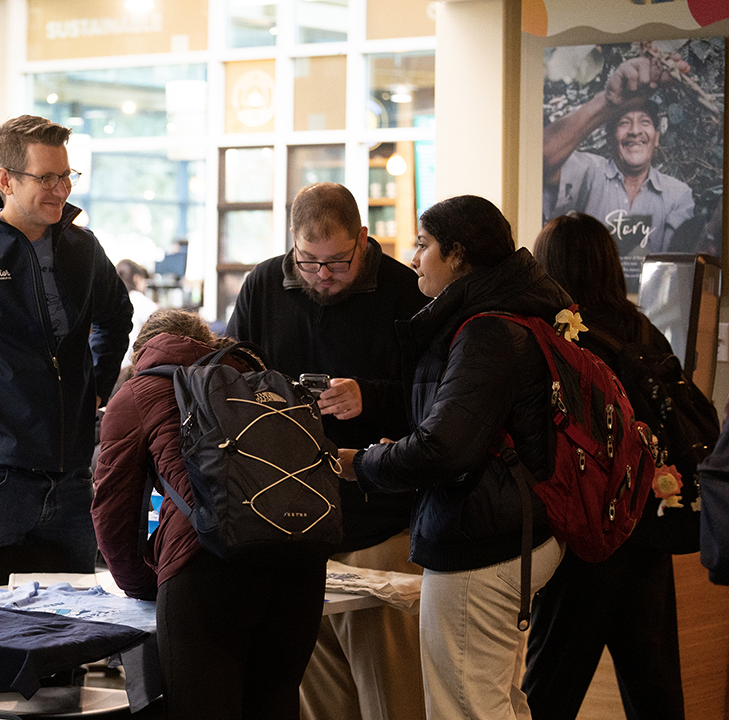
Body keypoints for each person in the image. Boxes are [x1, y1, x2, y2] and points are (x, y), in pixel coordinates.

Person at [337, 195, 570, 720]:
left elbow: (445, 445)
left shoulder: (486, 330)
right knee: (496, 701)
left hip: (480, 540)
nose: (414, 258)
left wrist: (361, 464)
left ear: (459, 256)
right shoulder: (509, 311)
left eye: (423, 245)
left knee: (464, 706)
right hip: (512, 531)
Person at [226, 181, 428, 720]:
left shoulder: (405, 292)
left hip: (379, 518)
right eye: (310, 261)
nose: (324, 275)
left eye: (338, 262)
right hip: (290, 521)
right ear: (292, 244)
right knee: (314, 692)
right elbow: (229, 384)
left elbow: (437, 404)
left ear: (363, 239)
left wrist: (369, 395)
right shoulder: (265, 284)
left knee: (392, 690)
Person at [0, 115, 133, 571]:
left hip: (72, 483)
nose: (62, 189)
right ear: (6, 181)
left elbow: (116, 317)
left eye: (67, 176)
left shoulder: (84, 249)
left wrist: (96, 385)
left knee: (73, 629)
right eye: (47, 178)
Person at [93, 309, 327, 719]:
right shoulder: (259, 379)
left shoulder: (137, 393)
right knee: (276, 705)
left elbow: (113, 518)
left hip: (207, 568)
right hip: (299, 565)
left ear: (142, 351)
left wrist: (146, 585)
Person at [521, 212, 688, 720]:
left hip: (585, 536)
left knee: (548, 690)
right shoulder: (642, 330)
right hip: (645, 530)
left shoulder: (558, 338)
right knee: (655, 689)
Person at [543, 55, 695, 257]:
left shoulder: (678, 195)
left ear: (656, 137)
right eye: (624, 123)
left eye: (645, 122)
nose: (635, 131)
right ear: (610, 138)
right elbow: (539, 161)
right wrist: (607, 103)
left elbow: (676, 266)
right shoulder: (590, 172)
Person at [115, 258, 159, 367]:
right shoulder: (138, 299)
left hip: (114, 365)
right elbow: (163, 321)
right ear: (137, 279)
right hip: (132, 366)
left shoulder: (113, 301)